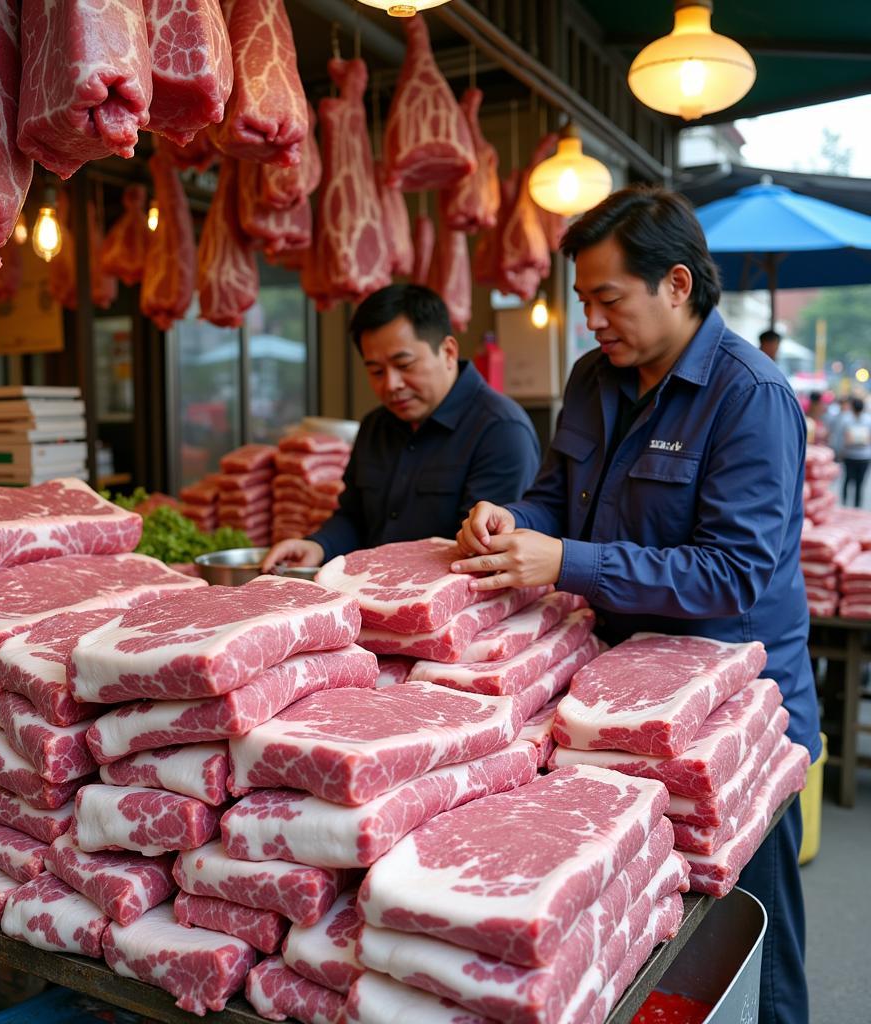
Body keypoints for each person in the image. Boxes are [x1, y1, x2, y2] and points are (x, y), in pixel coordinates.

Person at [453, 186, 819, 1024]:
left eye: (608, 299)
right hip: (616, 701)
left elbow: (734, 573)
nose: (592, 320)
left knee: (746, 934)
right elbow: (553, 494)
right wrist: (517, 522)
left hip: (732, 717)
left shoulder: (750, 397)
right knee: (640, 932)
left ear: (678, 285)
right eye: (583, 300)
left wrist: (568, 560)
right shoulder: (593, 378)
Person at [261, 284, 541, 571]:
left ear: (447, 351)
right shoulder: (375, 426)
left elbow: (481, 551)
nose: (391, 384)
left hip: (450, 605)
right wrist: (319, 545)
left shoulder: (501, 430)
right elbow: (355, 518)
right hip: (376, 597)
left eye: (404, 365)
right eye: (376, 372)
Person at [835, 395, 871, 506]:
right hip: (864, 456)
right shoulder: (869, 420)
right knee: (860, 483)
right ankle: (857, 505)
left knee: (847, 480)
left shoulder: (845, 418)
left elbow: (839, 437)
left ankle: (845, 503)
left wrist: (839, 452)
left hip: (849, 454)